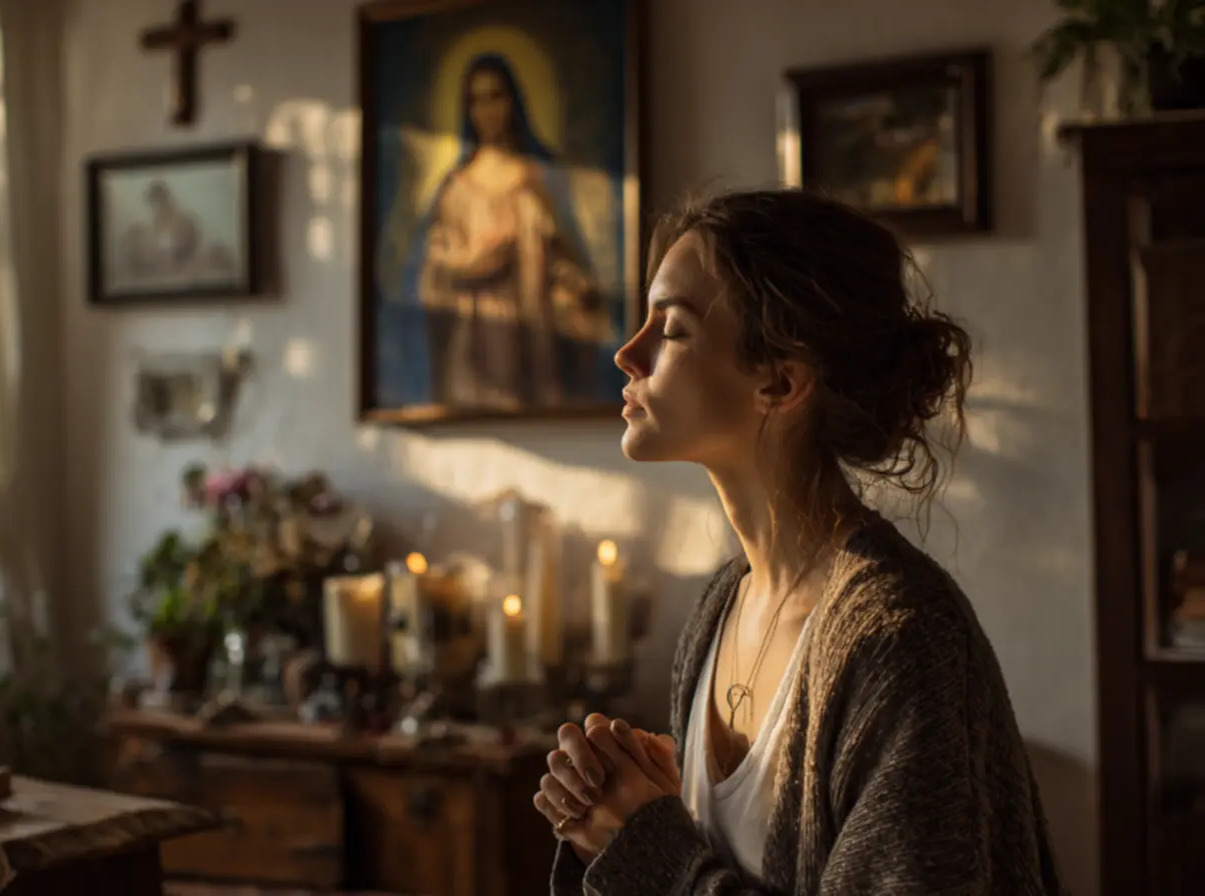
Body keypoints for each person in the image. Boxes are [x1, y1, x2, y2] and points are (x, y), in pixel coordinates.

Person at [533, 189, 1066, 895]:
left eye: (675, 329)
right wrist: (612, 822)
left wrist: (648, 847)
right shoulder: (721, 606)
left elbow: (679, 874)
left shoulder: (899, 642)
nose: (629, 354)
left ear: (780, 383)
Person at [402, 53, 608, 409]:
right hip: (473, 331)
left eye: (496, 96)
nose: (488, 110)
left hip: (529, 330)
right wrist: (474, 261)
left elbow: (562, 256)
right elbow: (434, 268)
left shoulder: (536, 178)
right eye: (477, 100)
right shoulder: (456, 188)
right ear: (467, 109)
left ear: (513, 102)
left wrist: (578, 285)